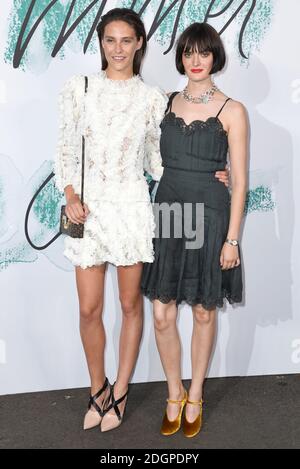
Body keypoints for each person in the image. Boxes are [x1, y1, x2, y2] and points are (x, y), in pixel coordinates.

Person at [54, 9, 229, 433]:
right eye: (110, 40)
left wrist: (211, 174)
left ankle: (122, 390)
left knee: (132, 305)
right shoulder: (78, 89)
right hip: (89, 211)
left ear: (139, 45)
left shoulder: (153, 99)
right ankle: (98, 387)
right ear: (101, 44)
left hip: (132, 207)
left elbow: (159, 159)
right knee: (88, 307)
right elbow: (64, 150)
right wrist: (71, 195)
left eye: (126, 40)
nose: (117, 49)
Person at [141, 22, 248, 438]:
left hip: (208, 212)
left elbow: (239, 178)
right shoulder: (165, 102)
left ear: (215, 57)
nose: (196, 61)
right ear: (181, 57)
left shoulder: (231, 109)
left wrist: (232, 238)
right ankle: (174, 391)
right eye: (189, 53)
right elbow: (148, 155)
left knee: (204, 309)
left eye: (204, 53)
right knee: (163, 312)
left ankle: (197, 393)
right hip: (169, 208)